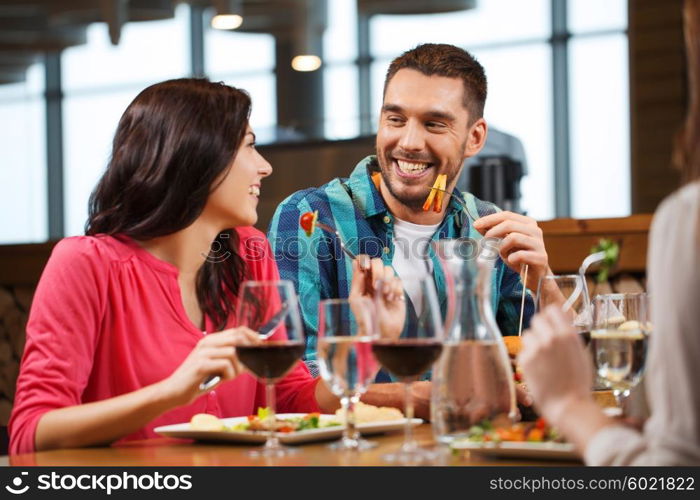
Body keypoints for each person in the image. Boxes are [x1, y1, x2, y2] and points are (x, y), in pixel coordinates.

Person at [8, 78, 340, 455]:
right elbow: (32, 434)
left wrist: (358, 337)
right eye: (248, 146)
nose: (264, 167)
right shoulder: (86, 263)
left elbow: (288, 398)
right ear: (198, 155)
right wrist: (172, 391)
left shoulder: (250, 253)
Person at [268, 44, 555, 413]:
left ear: (475, 138)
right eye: (396, 119)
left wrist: (544, 280)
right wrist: (420, 400)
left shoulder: (487, 228)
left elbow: (541, 367)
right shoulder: (309, 217)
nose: (409, 142)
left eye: (434, 123)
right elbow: (293, 382)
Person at [518, 0, 700, 465]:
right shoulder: (316, 217)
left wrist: (569, 406)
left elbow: (673, 474)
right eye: (395, 118)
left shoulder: (688, 218)